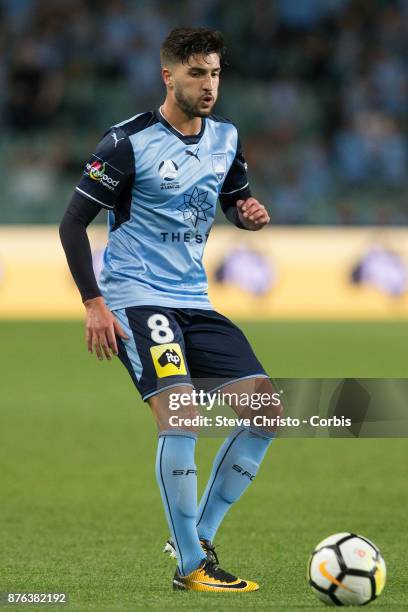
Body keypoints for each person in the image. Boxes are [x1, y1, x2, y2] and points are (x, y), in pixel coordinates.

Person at [60, 27, 281, 593]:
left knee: (266, 411)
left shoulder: (226, 137)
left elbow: (231, 195)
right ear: (168, 75)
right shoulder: (126, 142)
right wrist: (94, 303)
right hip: (137, 296)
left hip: (193, 299)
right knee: (181, 414)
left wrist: (245, 211)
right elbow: (72, 222)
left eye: (215, 73)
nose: (209, 86)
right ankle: (190, 567)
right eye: (196, 74)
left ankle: (197, 536)